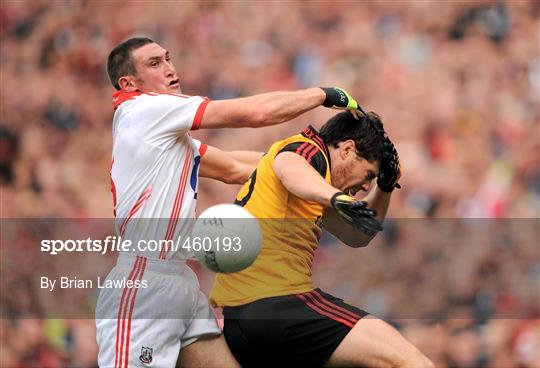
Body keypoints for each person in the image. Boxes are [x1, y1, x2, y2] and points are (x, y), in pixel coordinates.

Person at [95, 36, 363, 368]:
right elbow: (257, 113)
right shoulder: (144, 109)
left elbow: (240, 169)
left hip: (178, 282)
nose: (169, 68)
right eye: (154, 63)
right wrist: (322, 94)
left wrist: (322, 169)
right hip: (142, 284)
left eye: (167, 58)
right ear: (128, 84)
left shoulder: (166, 135)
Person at [210, 111, 434, 367]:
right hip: (276, 303)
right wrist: (337, 198)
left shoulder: (316, 187)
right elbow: (290, 169)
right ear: (348, 150)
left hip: (245, 321)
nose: (364, 188)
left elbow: (359, 233)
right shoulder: (308, 148)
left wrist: (383, 188)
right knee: (412, 362)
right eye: (369, 175)